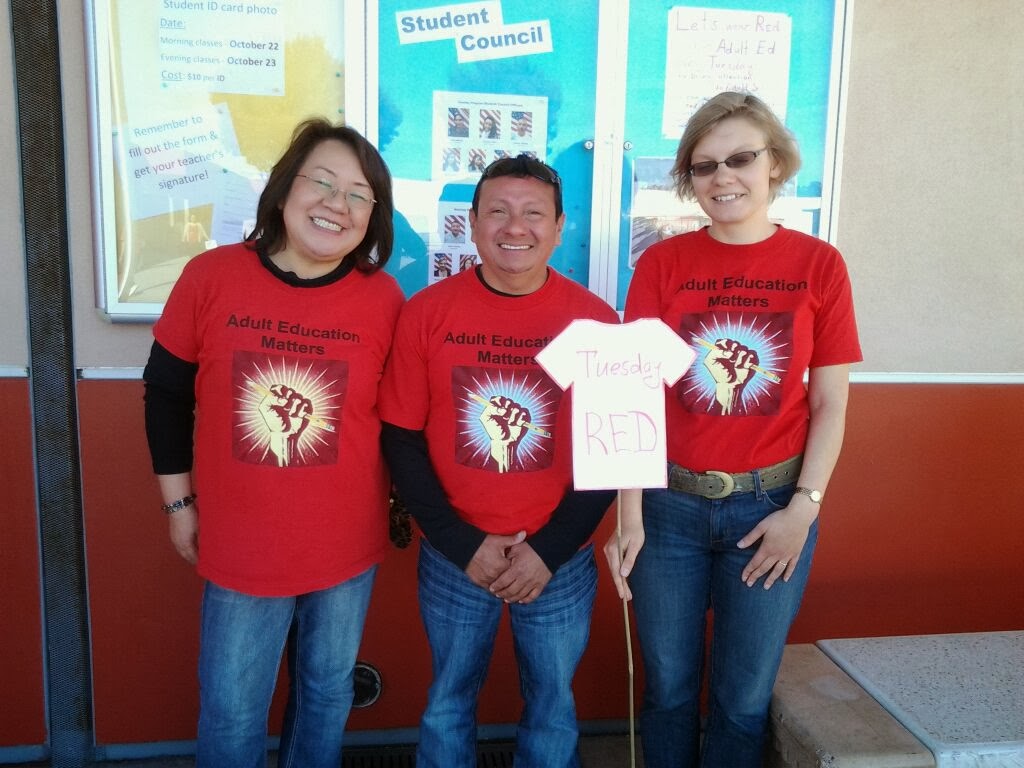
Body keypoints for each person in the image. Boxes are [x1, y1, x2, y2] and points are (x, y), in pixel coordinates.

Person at [603, 92, 862, 767]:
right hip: (668, 510)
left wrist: (802, 511)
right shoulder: (663, 265)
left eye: (740, 158)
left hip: (770, 510)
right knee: (668, 692)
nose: (723, 177)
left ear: (774, 164)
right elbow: (633, 391)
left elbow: (829, 403)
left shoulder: (819, 265)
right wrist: (629, 517)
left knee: (743, 700)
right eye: (704, 165)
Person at [143, 119, 403, 768]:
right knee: (232, 709)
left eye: (358, 194)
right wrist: (178, 504)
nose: (336, 204)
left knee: (325, 698)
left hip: (345, 546)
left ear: (372, 217)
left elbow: (400, 419)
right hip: (243, 547)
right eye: (322, 182)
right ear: (284, 189)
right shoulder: (211, 276)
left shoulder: (384, 299)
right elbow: (166, 394)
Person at [379, 154, 619, 768]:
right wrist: (462, 543)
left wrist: (549, 550)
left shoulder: (596, 322)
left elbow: (610, 451)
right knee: (448, 702)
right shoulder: (427, 312)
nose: (516, 227)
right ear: (472, 223)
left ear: (560, 227)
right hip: (454, 555)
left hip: (558, 560)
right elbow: (401, 438)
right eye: (498, 212)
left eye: (534, 213)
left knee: (552, 706)